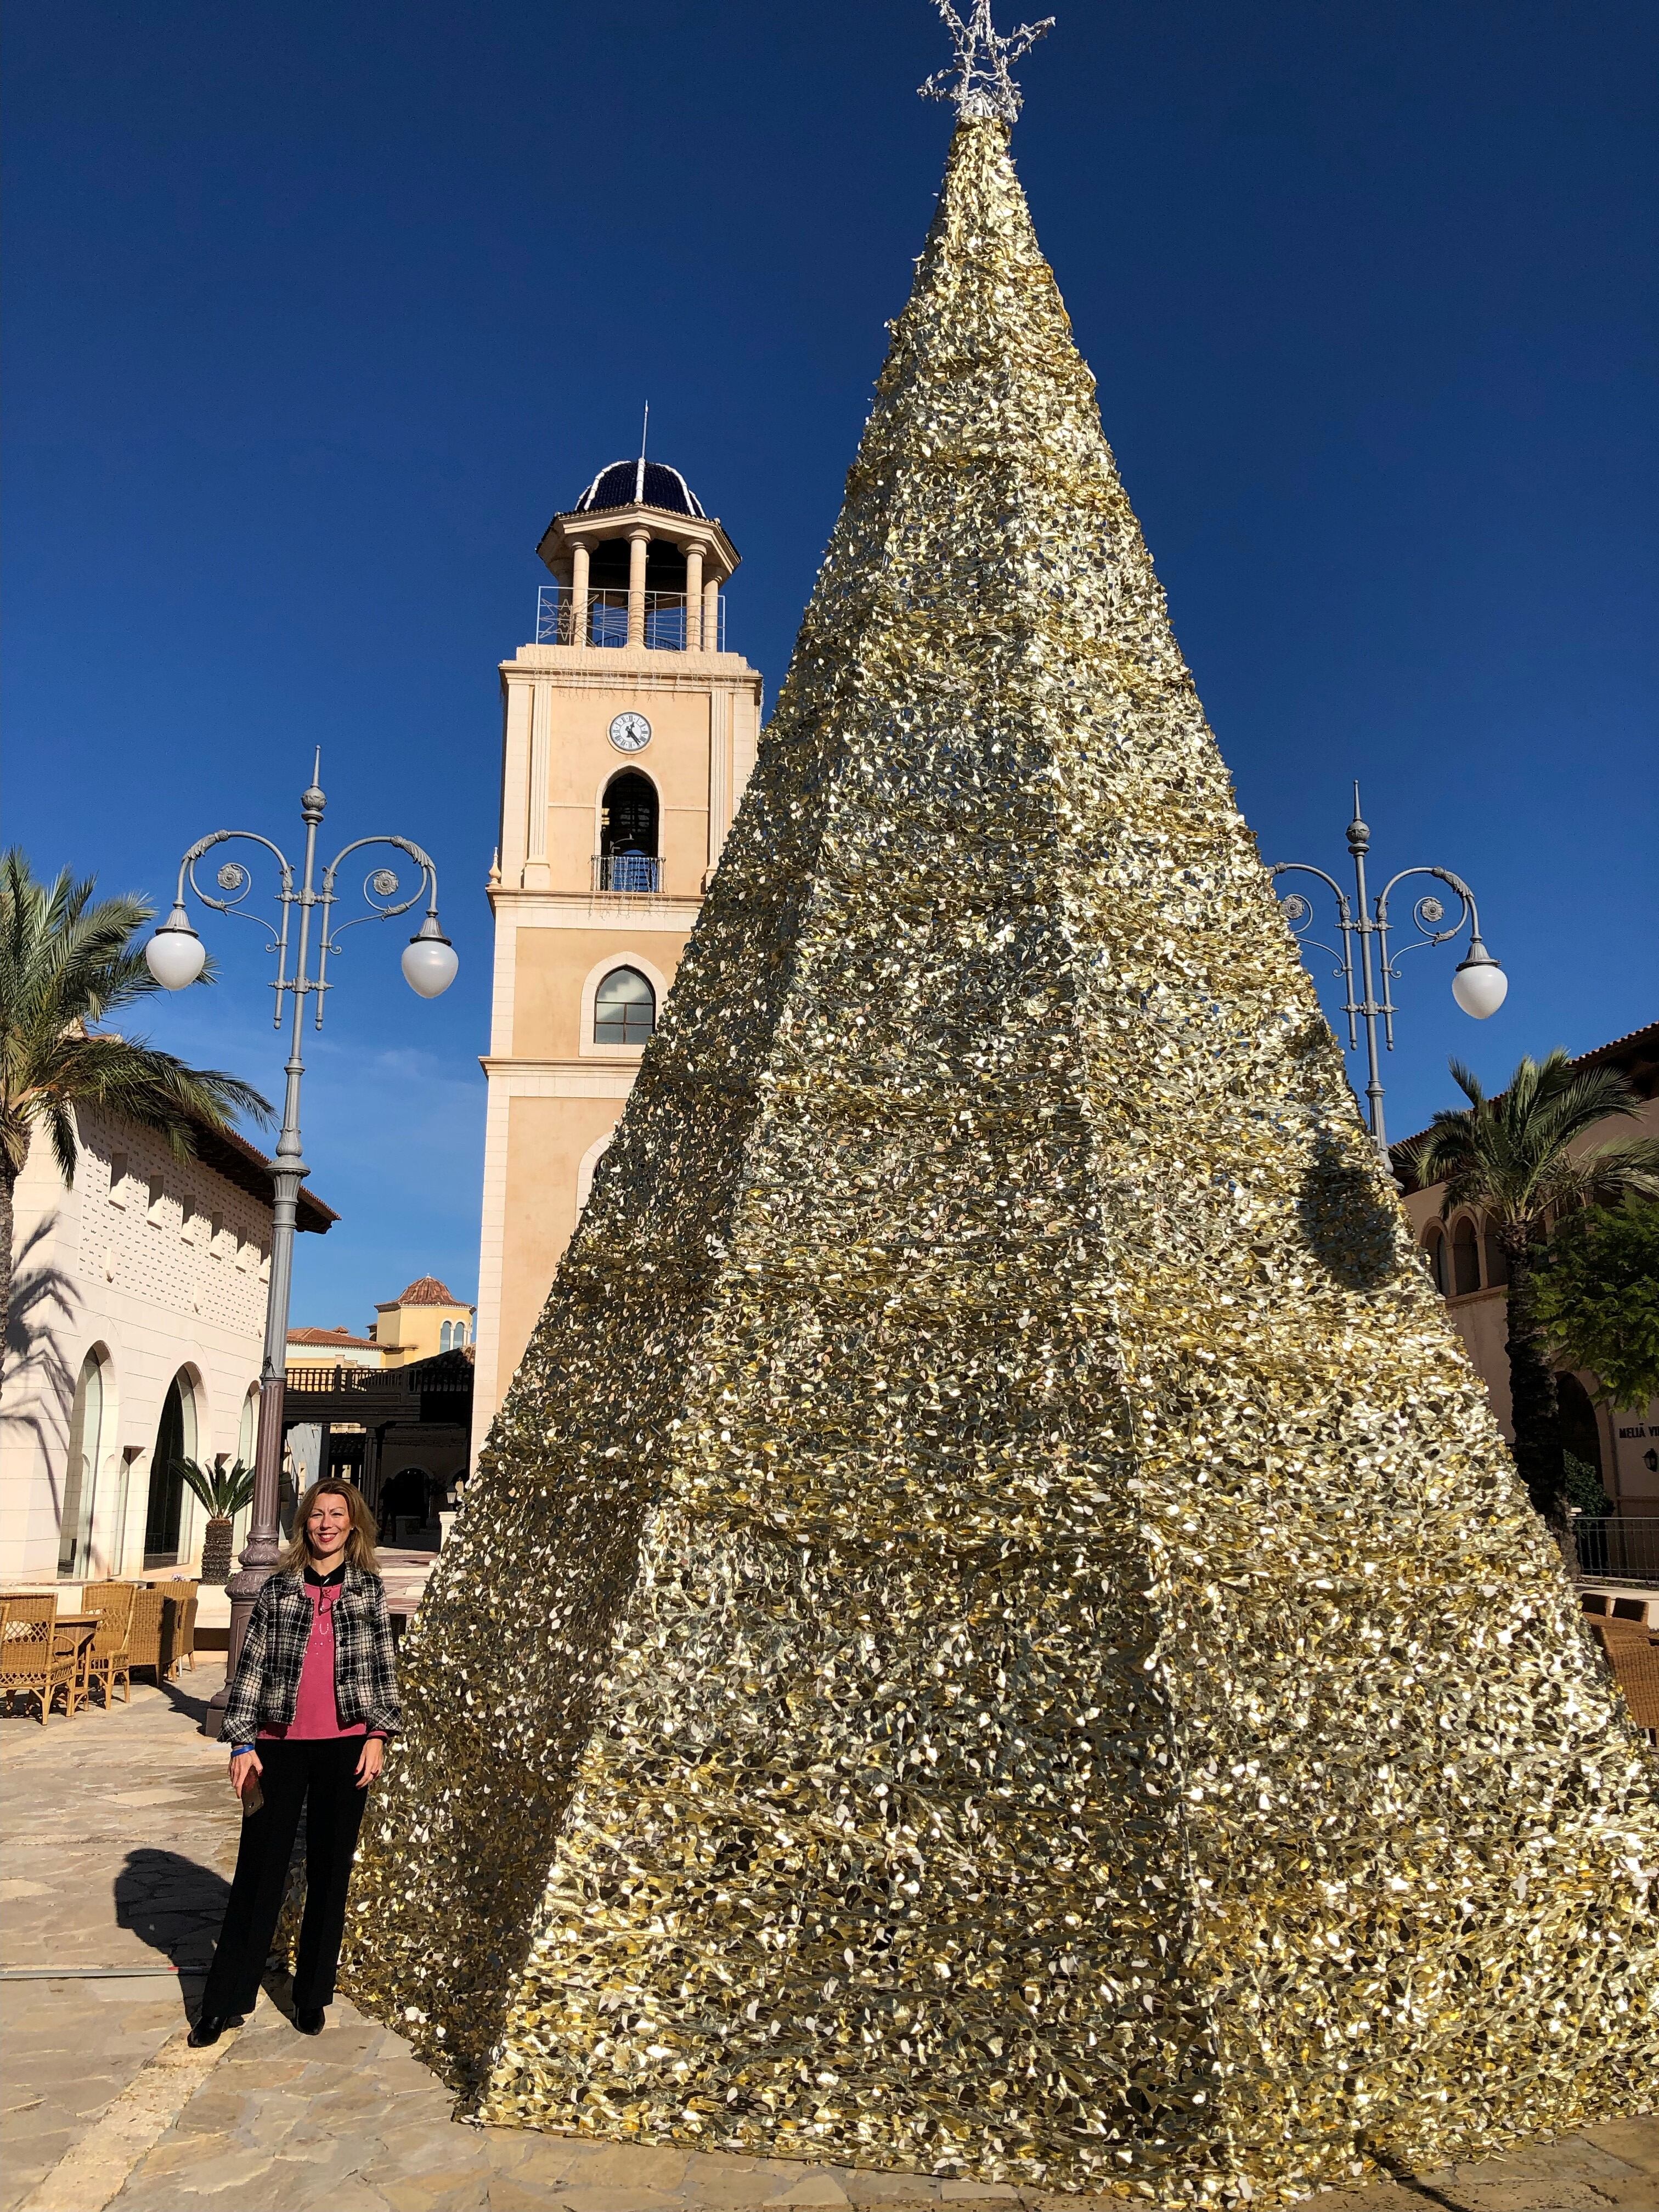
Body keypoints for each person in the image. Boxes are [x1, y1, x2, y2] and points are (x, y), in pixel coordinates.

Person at [189, 1478, 400, 2046]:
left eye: (337, 1515)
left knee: (330, 1872)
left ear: (352, 1525)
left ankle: (311, 1995)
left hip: (346, 1745)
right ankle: (224, 2001)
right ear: (304, 1523)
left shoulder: (368, 1589)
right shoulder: (279, 1589)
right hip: (278, 1745)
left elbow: (383, 1667)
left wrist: (378, 1735)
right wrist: (242, 1742)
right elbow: (252, 1668)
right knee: (259, 1869)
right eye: (317, 1515)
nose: (326, 1524)